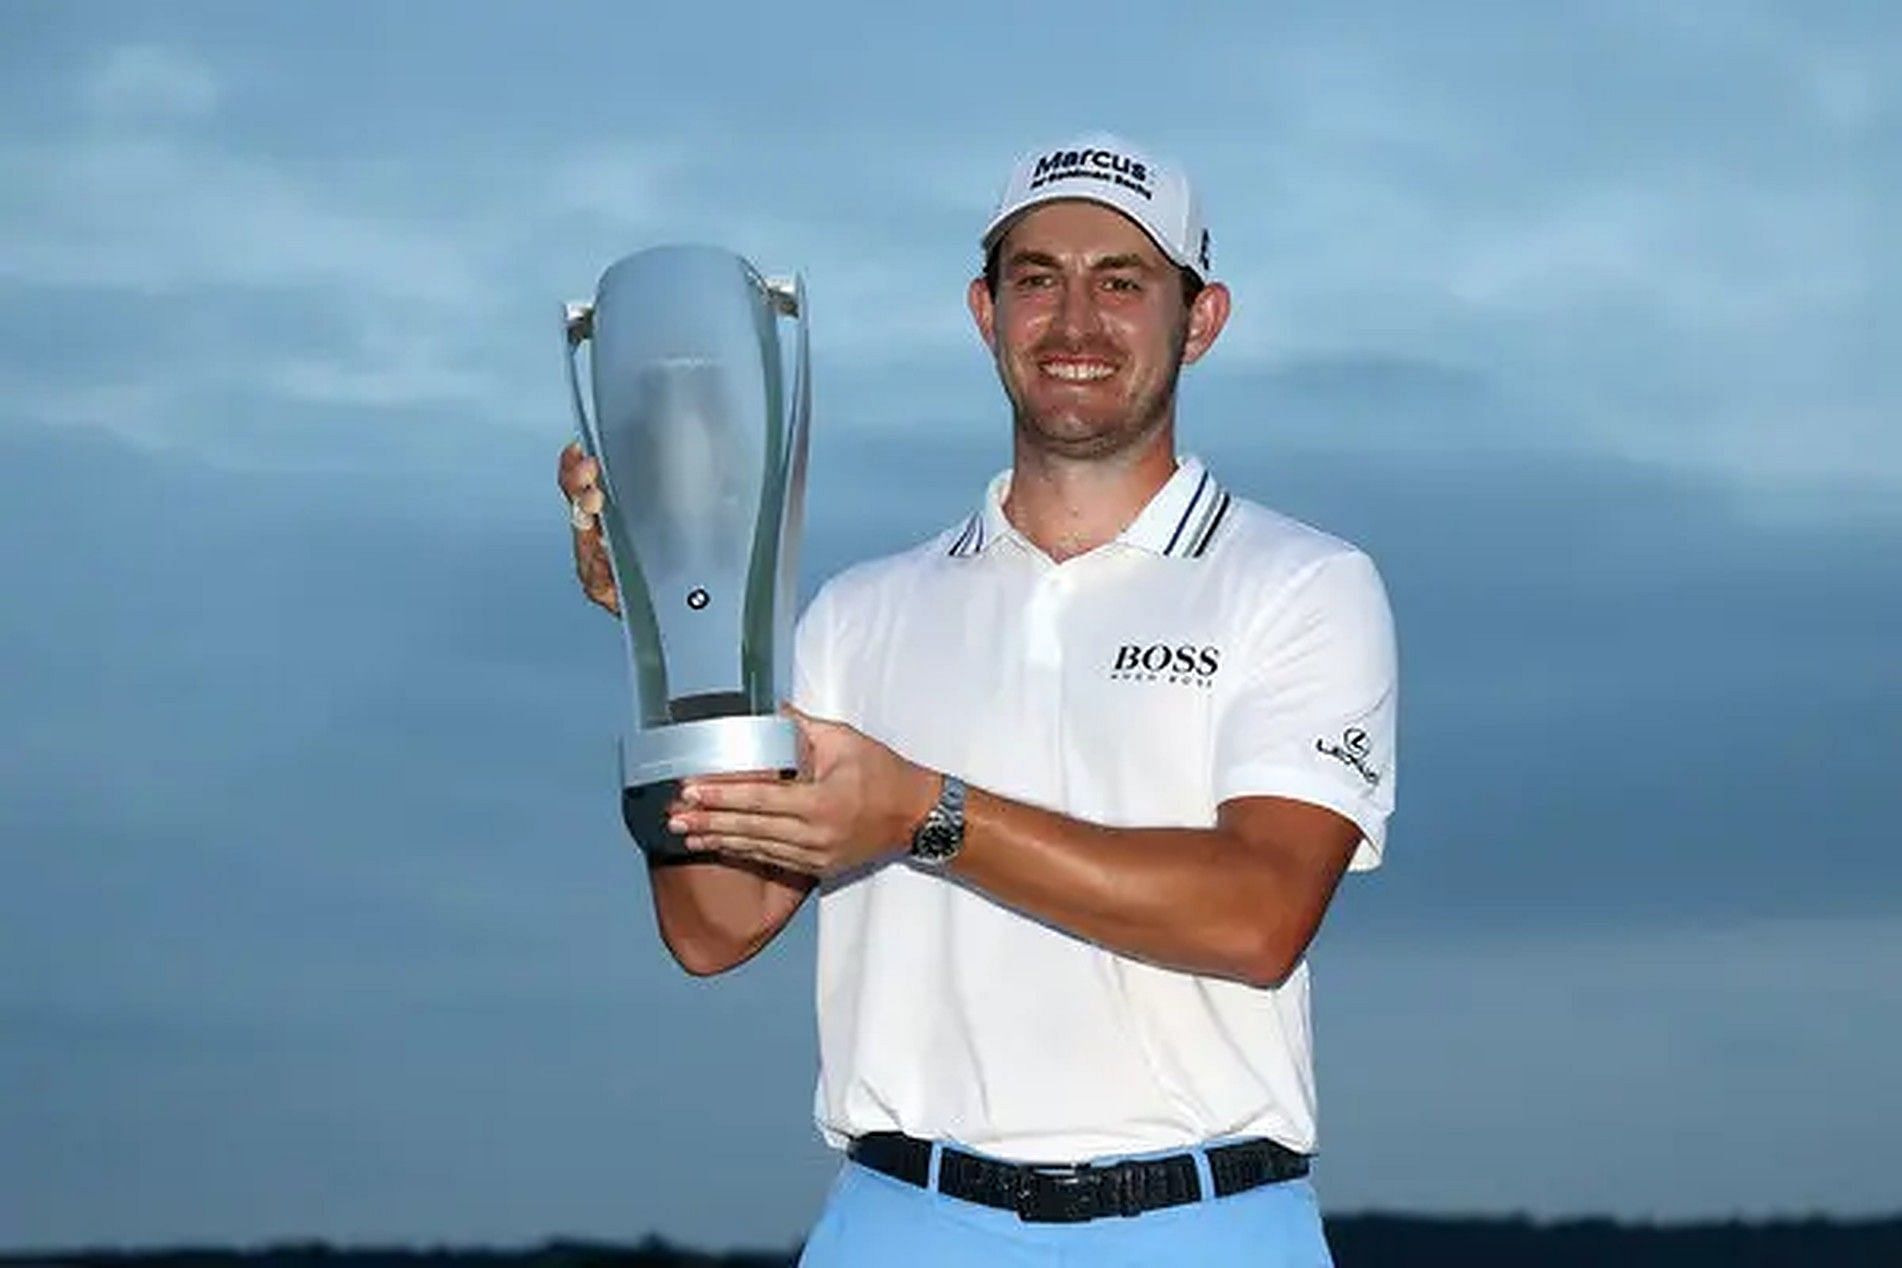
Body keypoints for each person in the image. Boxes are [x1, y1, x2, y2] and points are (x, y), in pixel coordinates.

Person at [557, 132, 1397, 1267]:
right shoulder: (861, 613)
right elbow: (712, 925)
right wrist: (676, 634)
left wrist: (925, 812)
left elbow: (1256, 915)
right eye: (1037, 279)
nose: (1076, 322)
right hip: (903, 1220)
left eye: (1122, 282)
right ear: (985, 311)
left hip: (1204, 1224)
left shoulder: (1300, 583)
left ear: (1201, 319)